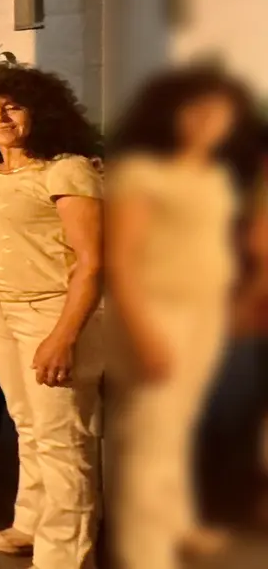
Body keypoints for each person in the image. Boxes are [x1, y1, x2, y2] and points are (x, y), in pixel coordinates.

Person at [102, 67, 260, 569]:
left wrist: (236, 303)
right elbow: (121, 260)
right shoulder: (142, 174)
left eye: (219, 112)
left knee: (178, 425)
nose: (208, 121)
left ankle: (177, 524)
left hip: (205, 311)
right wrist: (144, 332)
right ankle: (145, 551)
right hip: (158, 313)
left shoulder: (212, 173)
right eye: (196, 109)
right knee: (151, 433)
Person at [0, 64, 104, 567]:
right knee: (28, 425)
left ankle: (64, 557)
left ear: (41, 110)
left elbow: (93, 261)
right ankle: (30, 524)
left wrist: (62, 337)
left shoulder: (66, 168)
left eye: (12, 106)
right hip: (0, 306)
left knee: (64, 440)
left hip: (51, 312)